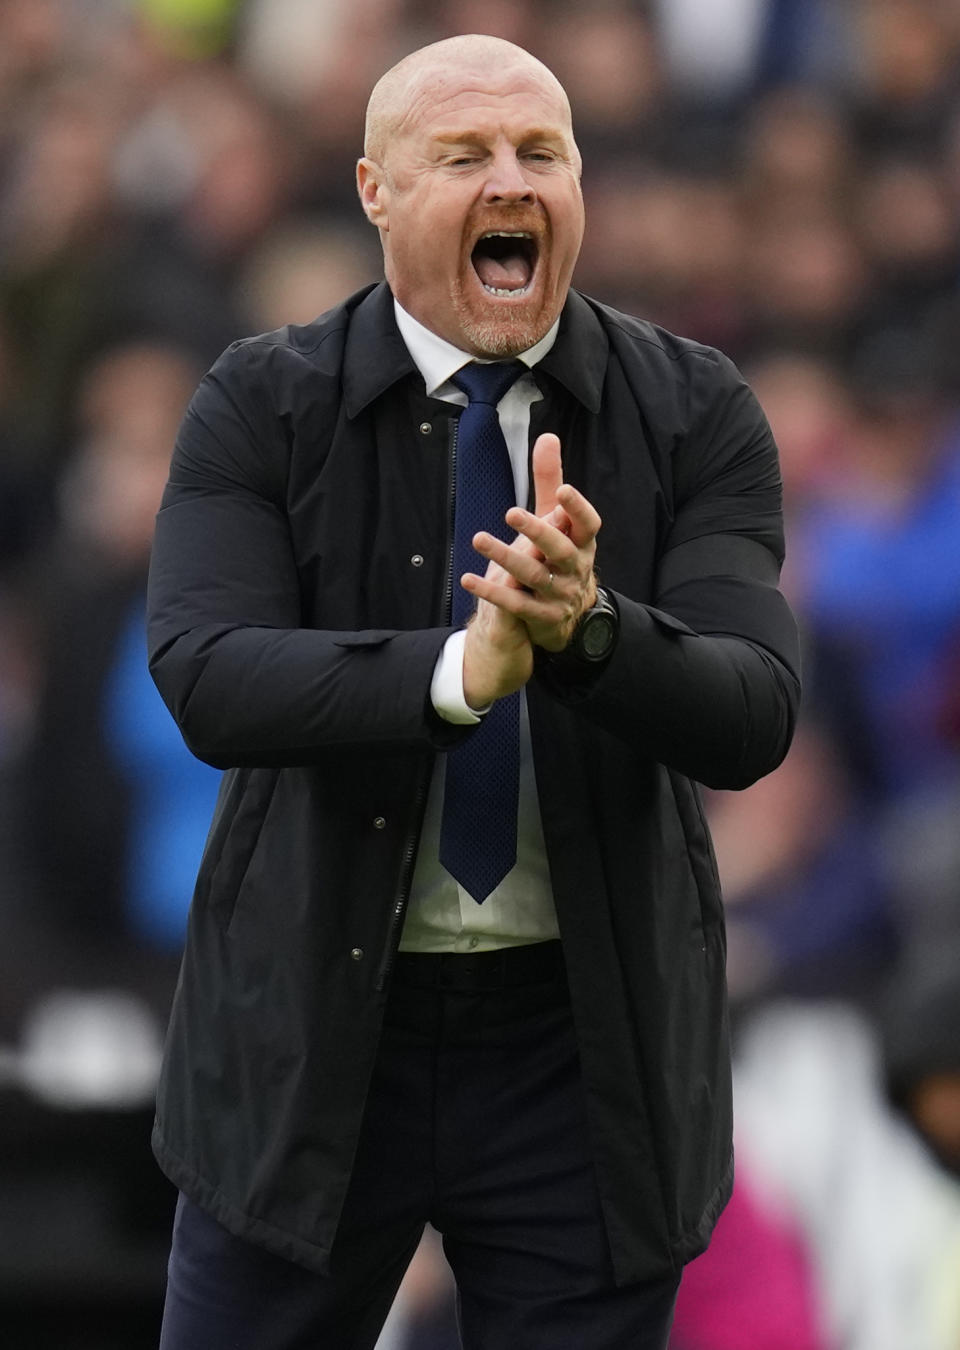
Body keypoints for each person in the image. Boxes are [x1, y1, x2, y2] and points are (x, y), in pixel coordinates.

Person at [148, 33, 800, 1350]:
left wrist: (591, 631)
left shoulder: (696, 409)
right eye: (464, 155)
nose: (512, 178)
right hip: (314, 1033)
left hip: (585, 1052)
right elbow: (209, 676)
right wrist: (457, 673)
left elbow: (753, 709)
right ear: (376, 192)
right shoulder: (261, 401)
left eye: (541, 152)